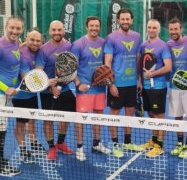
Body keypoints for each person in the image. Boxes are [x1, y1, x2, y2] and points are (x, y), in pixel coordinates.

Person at [104, 9, 144, 158]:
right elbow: (107, 63)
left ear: (131, 20)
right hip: (117, 83)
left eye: (128, 19)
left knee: (129, 112)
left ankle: (127, 141)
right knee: (114, 114)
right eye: (123, 19)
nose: (125, 21)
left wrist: (139, 79)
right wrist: (111, 84)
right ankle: (115, 144)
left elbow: (138, 58)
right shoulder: (111, 38)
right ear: (118, 20)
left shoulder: (137, 37)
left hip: (132, 83)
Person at [72, 16, 110, 161]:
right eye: (92, 26)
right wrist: (78, 84)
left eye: (97, 26)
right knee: (81, 119)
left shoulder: (103, 43)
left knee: (98, 116)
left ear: (99, 27)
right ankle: (80, 147)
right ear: (87, 27)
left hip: (100, 89)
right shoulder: (78, 44)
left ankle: (96, 143)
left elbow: (106, 65)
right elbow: (71, 67)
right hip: (84, 89)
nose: (94, 28)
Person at [36, 20, 75, 161]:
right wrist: (51, 86)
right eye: (54, 30)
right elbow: (39, 72)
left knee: (67, 117)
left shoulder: (69, 46)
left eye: (59, 30)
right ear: (49, 31)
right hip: (47, 91)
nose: (57, 32)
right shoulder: (43, 49)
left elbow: (72, 68)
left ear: (64, 31)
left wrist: (61, 84)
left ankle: (60, 143)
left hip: (65, 89)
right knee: (49, 120)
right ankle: (51, 147)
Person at [139, 19, 172, 157]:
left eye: (154, 28)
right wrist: (140, 80)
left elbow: (168, 66)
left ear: (159, 30)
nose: (151, 30)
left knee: (159, 115)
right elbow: (140, 65)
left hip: (158, 87)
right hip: (146, 86)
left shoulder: (163, 46)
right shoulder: (143, 45)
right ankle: (153, 140)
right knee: (150, 114)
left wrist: (152, 73)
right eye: (149, 27)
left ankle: (160, 145)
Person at [13, 29, 46, 164]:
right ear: (26, 39)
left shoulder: (39, 52)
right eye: (32, 40)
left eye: (38, 41)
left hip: (32, 95)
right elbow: (27, 79)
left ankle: (33, 142)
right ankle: (23, 148)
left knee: (32, 120)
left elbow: (39, 70)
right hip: (19, 96)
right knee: (20, 123)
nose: (35, 43)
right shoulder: (21, 55)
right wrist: (46, 82)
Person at [167, 17, 187, 159]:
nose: (173, 31)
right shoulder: (168, 44)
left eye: (176, 29)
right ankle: (179, 143)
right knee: (177, 116)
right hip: (174, 86)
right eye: (171, 29)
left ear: (181, 29)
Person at [0, 16, 24, 176]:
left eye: (18, 28)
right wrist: (5, 88)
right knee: (1, 129)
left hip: (8, 95)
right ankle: (1, 166)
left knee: (3, 128)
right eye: (12, 28)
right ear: (5, 26)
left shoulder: (17, 43)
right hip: (1, 94)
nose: (15, 31)